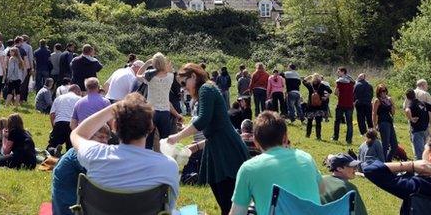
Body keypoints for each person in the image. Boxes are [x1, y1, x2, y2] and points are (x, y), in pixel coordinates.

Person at [70, 94, 180, 210]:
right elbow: (170, 207)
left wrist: (116, 106)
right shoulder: (168, 165)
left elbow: (78, 134)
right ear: (151, 128)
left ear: (115, 126)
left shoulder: (95, 154)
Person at [168, 63, 249, 215]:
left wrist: (177, 137)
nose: (184, 88)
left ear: (193, 76)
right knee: (224, 203)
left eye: (184, 83)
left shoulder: (206, 89)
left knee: (228, 204)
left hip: (226, 150)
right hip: (216, 148)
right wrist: (193, 139)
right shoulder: (206, 91)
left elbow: (203, 120)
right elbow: (211, 125)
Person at [229, 111, 323, 215]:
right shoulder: (306, 158)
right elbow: (322, 189)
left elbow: (237, 212)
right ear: (285, 138)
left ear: (255, 142)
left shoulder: (248, 169)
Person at [52, 125, 110, 215]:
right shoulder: (80, 155)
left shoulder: (79, 150)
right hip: (70, 207)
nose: (105, 141)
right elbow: (98, 182)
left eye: (107, 138)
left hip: (64, 204)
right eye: (101, 137)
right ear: (89, 136)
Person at [136, 53, 182, 139]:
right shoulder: (170, 77)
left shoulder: (149, 77)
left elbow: (137, 75)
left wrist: (147, 63)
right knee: (164, 140)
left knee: (148, 141)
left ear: (153, 64)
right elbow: (170, 70)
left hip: (151, 111)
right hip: (165, 112)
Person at [48, 85, 82, 153]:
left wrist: (54, 127)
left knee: (52, 145)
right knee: (71, 148)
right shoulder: (80, 99)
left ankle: (53, 151)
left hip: (59, 123)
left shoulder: (59, 98)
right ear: (77, 91)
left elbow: (52, 114)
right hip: (72, 125)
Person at [404, 89, 431, 160]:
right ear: (415, 95)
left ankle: (420, 169)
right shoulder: (422, 103)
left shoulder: (411, 104)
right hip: (425, 129)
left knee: (419, 154)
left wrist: (411, 119)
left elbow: (407, 110)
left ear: (407, 97)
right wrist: (430, 119)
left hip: (417, 131)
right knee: (426, 151)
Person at [372, 84, 398, 161]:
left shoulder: (388, 100)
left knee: (394, 145)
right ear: (378, 92)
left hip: (389, 122)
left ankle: (387, 160)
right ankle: (382, 162)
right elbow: (374, 113)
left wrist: (392, 103)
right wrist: (374, 125)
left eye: (384, 90)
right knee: (385, 144)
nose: (383, 92)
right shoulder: (377, 100)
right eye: (381, 91)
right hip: (382, 123)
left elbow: (393, 112)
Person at [303, 74, 332, 140]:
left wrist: (309, 76)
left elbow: (303, 81)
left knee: (309, 121)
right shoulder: (322, 85)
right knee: (318, 122)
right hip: (319, 106)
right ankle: (318, 136)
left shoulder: (310, 85)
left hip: (311, 106)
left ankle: (308, 135)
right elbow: (330, 91)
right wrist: (325, 97)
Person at [333, 67, 355, 144]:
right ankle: (349, 140)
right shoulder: (352, 81)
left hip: (341, 103)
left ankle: (335, 137)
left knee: (337, 121)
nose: (337, 73)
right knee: (349, 123)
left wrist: (340, 95)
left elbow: (335, 92)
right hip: (350, 104)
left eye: (338, 72)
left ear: (343, 72)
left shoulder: (339, 82)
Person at [19, 35, 34, 102]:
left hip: (18, 66)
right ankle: (24, 98)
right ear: (27, 40)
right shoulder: (29, 47)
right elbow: (30, 58)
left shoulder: (18, 46)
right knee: (25, 82)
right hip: (26, 66)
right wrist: (32, 68)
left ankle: (17, 96)